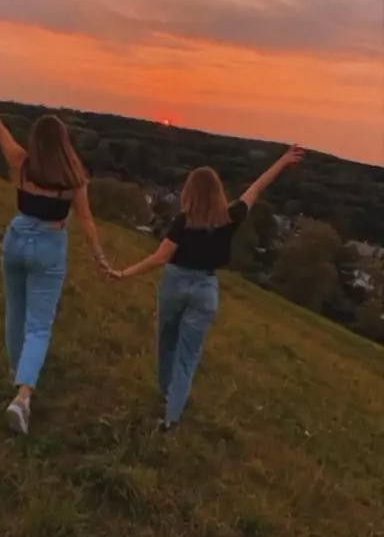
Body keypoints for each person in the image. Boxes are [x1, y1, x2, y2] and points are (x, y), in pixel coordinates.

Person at [0, 66, 109, 435]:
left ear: (36, 140)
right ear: (64, 143)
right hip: (50, 246)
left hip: (16, 237)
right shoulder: (74, 178)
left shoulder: (20, 163)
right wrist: (100, 256)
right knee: (39, 324)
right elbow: (86, 220)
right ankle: (23, 395)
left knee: (15, 312)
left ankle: (16, 371)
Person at [108, 145, 304, 431]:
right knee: (187, 356)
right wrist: (283, 161)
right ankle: (171, 417)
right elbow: (256, 188)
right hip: (205, 289)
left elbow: (160, 258)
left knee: (166, 341)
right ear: (217, 191)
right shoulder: (231, 216)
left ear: (191, 191)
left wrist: (124, 273)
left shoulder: (184, 222)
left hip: (175, 283)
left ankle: (165, 393)